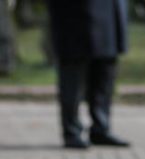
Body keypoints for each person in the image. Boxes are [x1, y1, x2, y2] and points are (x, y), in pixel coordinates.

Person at [47, 0, 130, 149]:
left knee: (105, 71)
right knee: (73, 73)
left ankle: (101, 128)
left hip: (109, 11)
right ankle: (71, 131)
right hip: (73, 15)